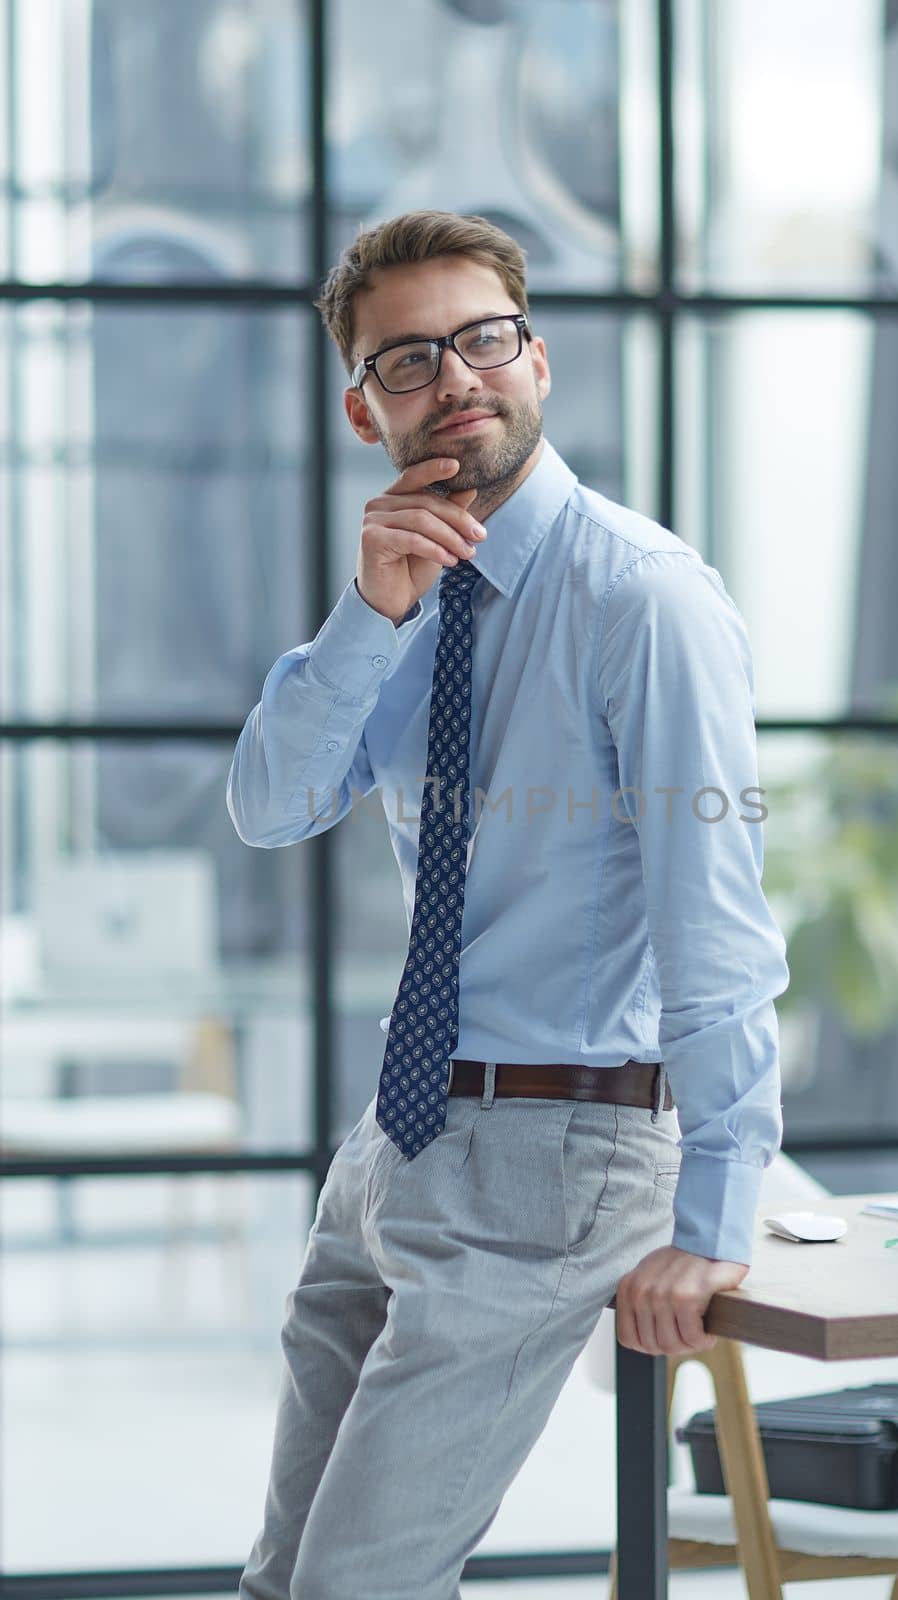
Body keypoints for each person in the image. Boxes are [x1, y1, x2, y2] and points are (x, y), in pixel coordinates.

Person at [228, 209, 790, 1600]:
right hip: (394, 1143)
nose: (457, 378)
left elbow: (715, 925)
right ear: (366, 409)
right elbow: (269, 806)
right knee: (286, 1579)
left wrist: (718, 1216)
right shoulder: (409, 591)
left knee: (353, 1589)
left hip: (560, 1145)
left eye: (483, 340)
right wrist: (369, 617)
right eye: (410, 360)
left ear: (537, 359)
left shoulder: (640, 600)